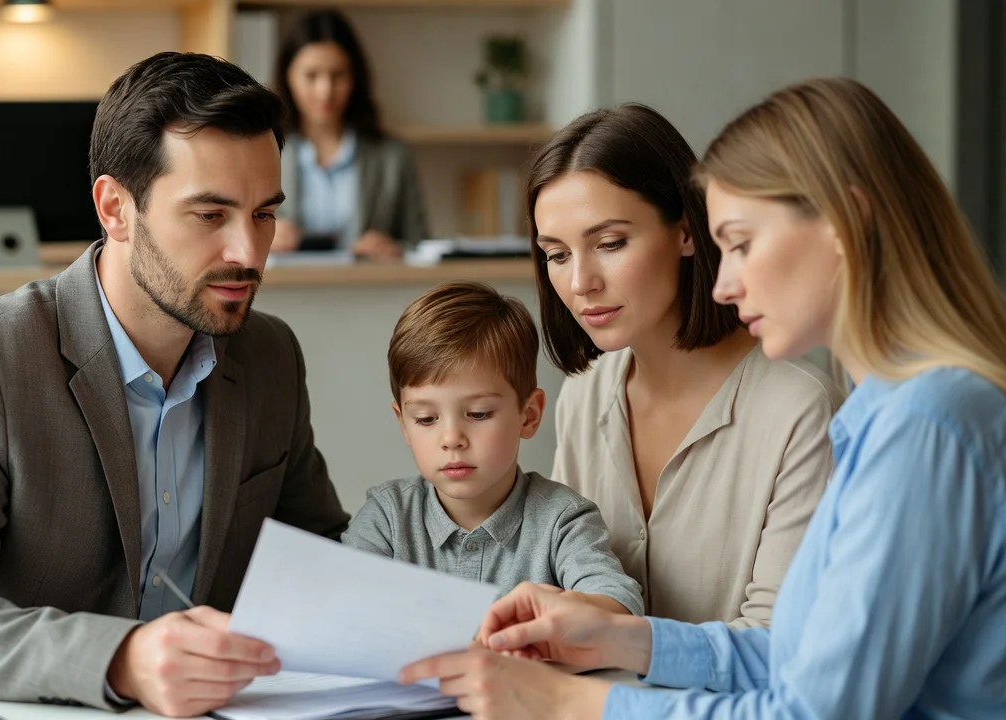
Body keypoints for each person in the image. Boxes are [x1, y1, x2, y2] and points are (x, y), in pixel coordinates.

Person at [399, 77, 1006, 718]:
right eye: (555, 254)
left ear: (845, 223)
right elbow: (799, 658)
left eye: (741, 244)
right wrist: (620, 637)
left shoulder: (922, 425)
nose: (725, 282)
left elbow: (809, 710)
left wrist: (569, 703)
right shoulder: (885, 413)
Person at [0, 52, 351, 718]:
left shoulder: (269, 356)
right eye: (211, 215)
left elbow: (320, 556)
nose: (248, 252)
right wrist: (123, 659)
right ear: (115, 209)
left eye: (263, 215)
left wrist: (462, 582)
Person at [533, 103, 843, 627]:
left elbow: (778, 642)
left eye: (609, 243)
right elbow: (560, 578)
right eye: (557, 255)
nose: (581, 282)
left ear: (686, 231)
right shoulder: (584, 393)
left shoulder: (801, 409)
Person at [341, 281, 643, 612]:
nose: (451, 438)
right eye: (426, 419)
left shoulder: (564, 520)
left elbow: (618, 603)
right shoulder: (387, 516)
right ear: (403, 424)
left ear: (529, 415)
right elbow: (338, 604)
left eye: (478, 414)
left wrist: (568, 614)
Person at [271, 8, 428, 259]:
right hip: (285, 283)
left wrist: (396, 250)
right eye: (311, 75)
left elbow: (421, 245)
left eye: (338, 75)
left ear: (355, 77)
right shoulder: (265, 150)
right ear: (288, 76)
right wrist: (264, 233)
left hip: (369, 283)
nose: (325, 90)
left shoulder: (392, 155)